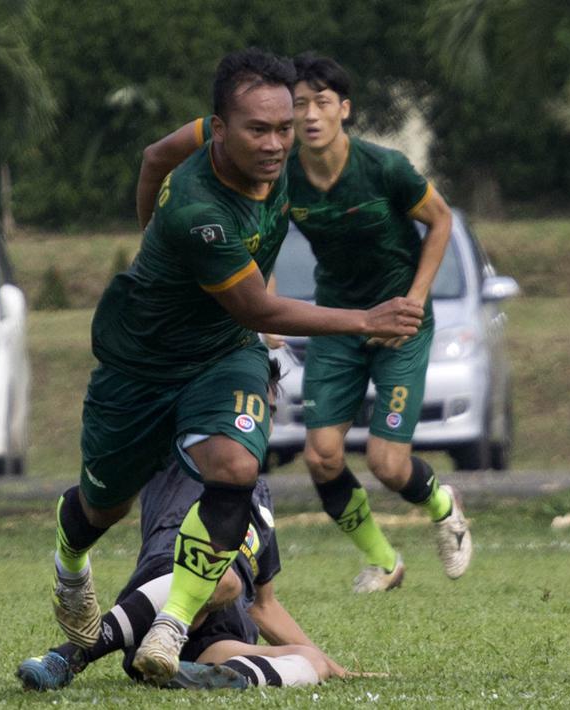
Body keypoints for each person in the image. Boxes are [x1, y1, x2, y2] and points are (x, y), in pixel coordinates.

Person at [49, 48, 424, 685]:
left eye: (284, 127)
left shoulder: (268, 149)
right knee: (101, 506)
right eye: (259, 130)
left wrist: (148, 232)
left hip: (223, 351)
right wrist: (367, 317)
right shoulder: (200, 212)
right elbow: (257, 303)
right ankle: (69, 569)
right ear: (219, 128)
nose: (277, 143)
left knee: (236, 467)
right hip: (141, 363)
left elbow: (150, 156)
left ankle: (171, 626)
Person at [136, 53, 471, 595]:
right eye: (300, 105)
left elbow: (441, 220)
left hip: (399, 323)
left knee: (387, 464)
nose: (310, 115)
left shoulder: (384, 168)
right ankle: (384, 562)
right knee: (321, 456)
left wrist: (412, 300)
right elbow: (254, 238)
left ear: (345, 109)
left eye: (322, 102)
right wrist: (261, 311)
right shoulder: (278, 171)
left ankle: (444, 506)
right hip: (337, 319)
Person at [20, 362, 344, 692]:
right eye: (251, 409)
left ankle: (183, 675)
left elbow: (264, 606)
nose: (261, 422)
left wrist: (335, 668)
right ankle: (70, 655)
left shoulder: (259, 498)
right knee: (224, 577)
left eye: (268, 412)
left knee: (310, 661)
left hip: (214, 640)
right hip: (157, 599)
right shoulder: (185, 455)